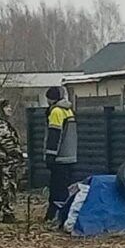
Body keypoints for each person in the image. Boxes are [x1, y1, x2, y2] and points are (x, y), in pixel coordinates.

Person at [44, 86, 77, 222]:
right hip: (70, 155)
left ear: (50, 99)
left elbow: (54, 134)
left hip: (60, 157)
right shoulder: (68, 110)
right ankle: (63, 215)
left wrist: (50, 155)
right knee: (65, 189)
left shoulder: (56, 112)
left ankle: (53, 217)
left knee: (56, 188)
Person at [0, 98, 23, 223]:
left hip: (3, 159)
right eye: (7, 107)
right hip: (6, 160)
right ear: (1, 109)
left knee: (3, 187)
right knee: (9, 187)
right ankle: (7, 213)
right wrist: (17, 153)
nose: (10, 109)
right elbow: (6, 141)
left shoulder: (0, 123)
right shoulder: (0, 124)